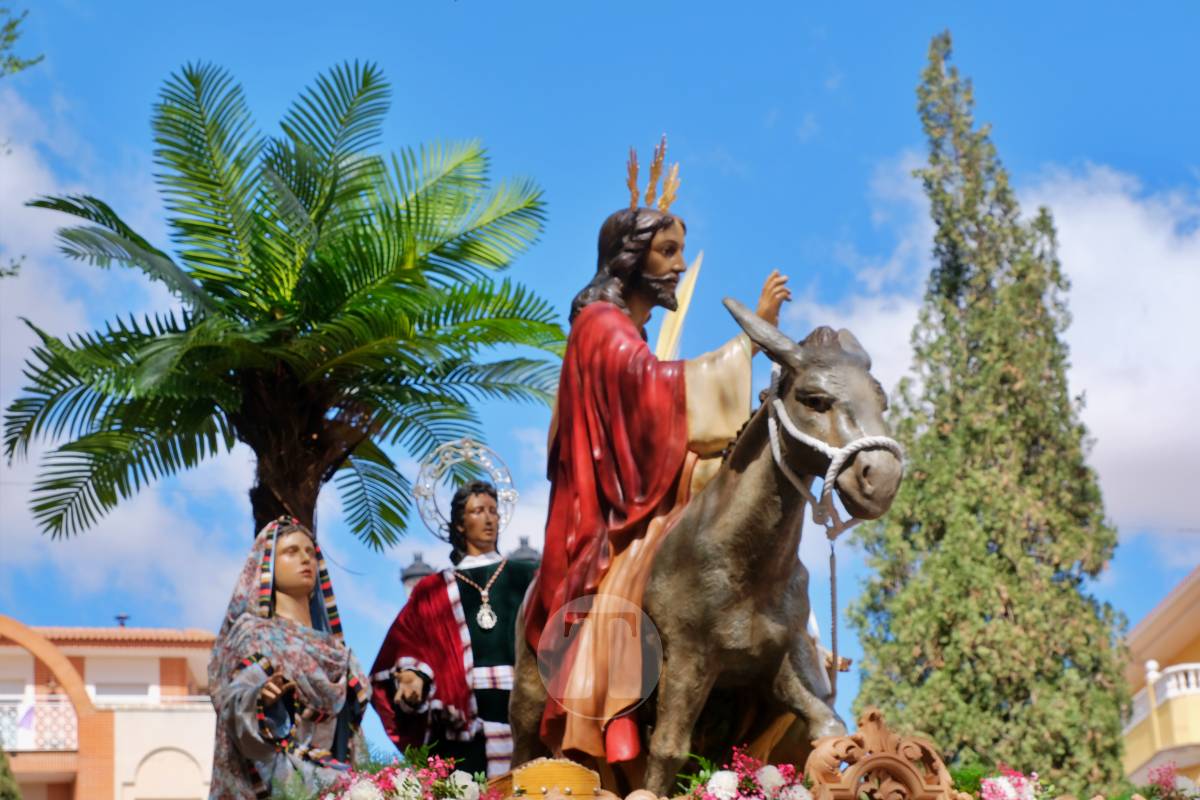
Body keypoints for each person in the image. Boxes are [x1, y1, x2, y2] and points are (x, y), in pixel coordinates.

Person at [523, 159, 791, 766]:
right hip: (603, 513)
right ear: (630, 258)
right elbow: (650, 394)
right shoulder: (601, 326)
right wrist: (750, 341)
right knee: (640, 572)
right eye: (667, 252)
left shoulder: (625, 330)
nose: (679, 267)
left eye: (680, 251)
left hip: (633, 488)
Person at [371, 480, 537, 777]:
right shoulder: (433, 589)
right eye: (477, 511)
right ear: (460, 525)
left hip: (525, 711)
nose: (488, 519)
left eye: (493, 511)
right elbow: (407, 642)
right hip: (463, 728)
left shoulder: (525, 575)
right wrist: (413, 674)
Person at [208, 517, 369, 799]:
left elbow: (350, 733)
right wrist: (260, 698)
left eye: (309, 552)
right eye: (291, 552)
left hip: (338, 784)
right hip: (279, 783)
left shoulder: (339, 653)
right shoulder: (255, 634)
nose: (305, 559)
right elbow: (233, 704)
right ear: (267, 563)